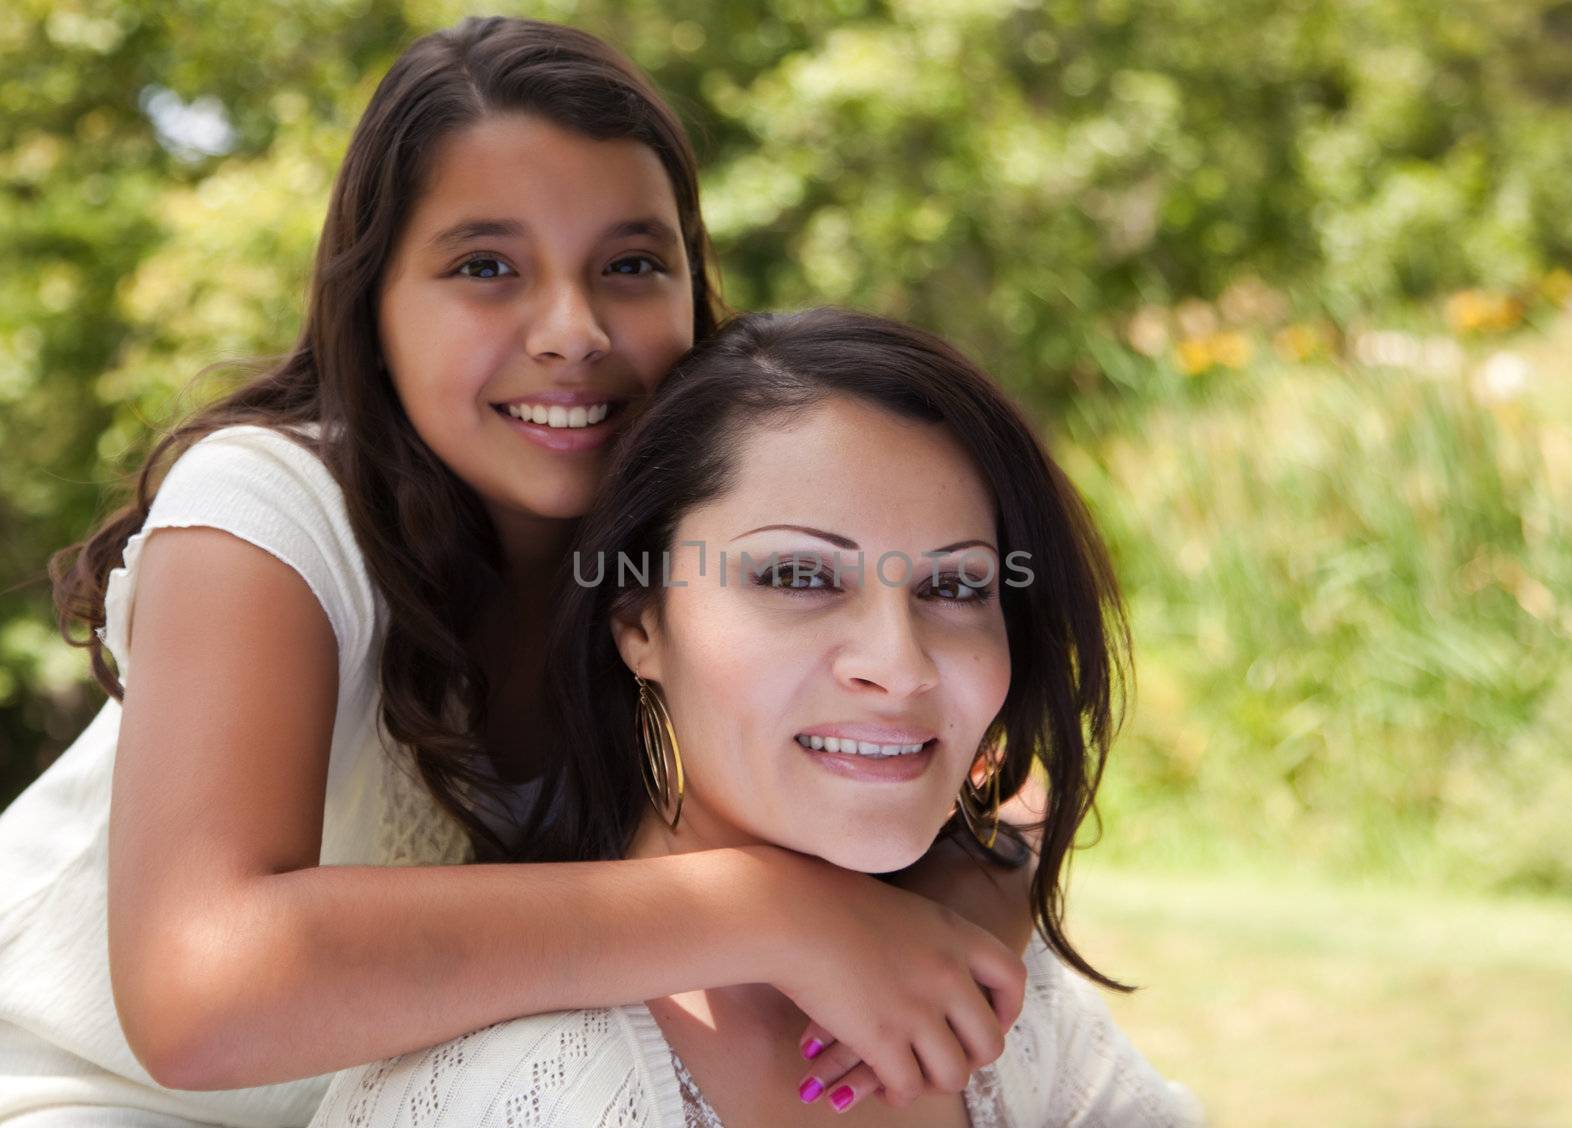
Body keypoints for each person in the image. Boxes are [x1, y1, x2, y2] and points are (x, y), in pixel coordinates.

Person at [0, 20, 1037, 1127]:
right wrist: (763, 904)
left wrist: (936, 924)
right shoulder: (268, 509)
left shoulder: (705, 536)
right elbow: (197, 995)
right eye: (485, 267)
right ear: (374, 306)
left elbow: (995, 798)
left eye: (632, 265)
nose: (572, 330)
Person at [309, 308, 1207, 1127]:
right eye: (799, 576)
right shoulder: (519, 1088)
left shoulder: (1001, 999)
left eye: (956, 585)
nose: (899, 668)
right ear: (638, 622)